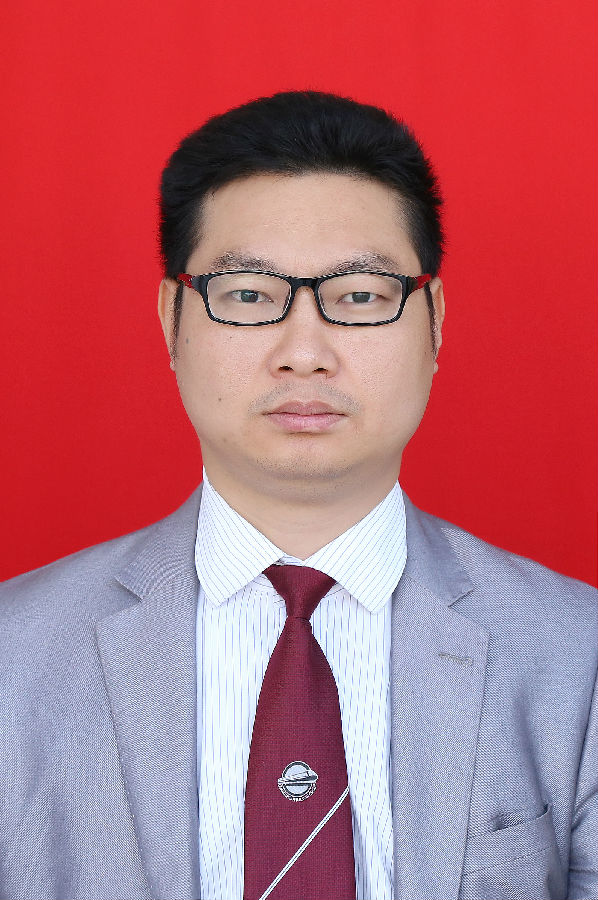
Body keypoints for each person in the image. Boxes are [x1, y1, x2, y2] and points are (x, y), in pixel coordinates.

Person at [0, 91, 595, 900]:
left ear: (434, 320)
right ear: (172, 319)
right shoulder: (16, 659)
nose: (305, 352)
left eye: (360, 296)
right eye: (248, 295)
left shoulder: (578, 658)